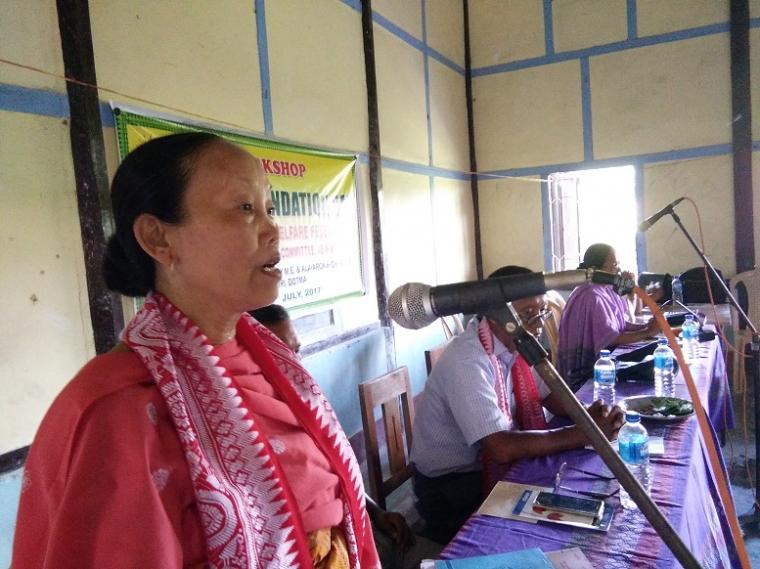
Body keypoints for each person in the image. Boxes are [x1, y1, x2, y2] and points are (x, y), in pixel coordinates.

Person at [12, 133, 379, 568]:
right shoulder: (115, 410)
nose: (272, 229)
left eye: (270, 208)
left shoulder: (271, 360)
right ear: (159, 240)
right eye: (244, 208)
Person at [409, 265, 625, 544]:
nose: (538, 324)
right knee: (544, 526)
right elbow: (501, 448)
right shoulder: (468, 359)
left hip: (482, 466)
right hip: (451, 486)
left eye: (541, 312)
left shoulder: (515, 343)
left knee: (572, 490)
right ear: (496, 315)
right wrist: (585, 433)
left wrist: (589, 416)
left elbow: (550, 396)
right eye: (527, 314)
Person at [250, 304, 442, 568]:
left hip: (359, 527)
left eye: (296, 350)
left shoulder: (307, 405)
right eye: (279, 354)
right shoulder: (246, 433)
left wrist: (376, 512)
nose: (294, 363)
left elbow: (340, 474)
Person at [557, 243, 660, 390]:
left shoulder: (605, 289)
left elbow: (620, 323)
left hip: (607, 360)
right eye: (614, 265)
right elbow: (611, 339)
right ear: (596, 270)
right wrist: (647, 332)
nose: (618, 270)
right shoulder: (591, 295)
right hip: (588, 374)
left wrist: (645, 326)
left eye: (618, 264)